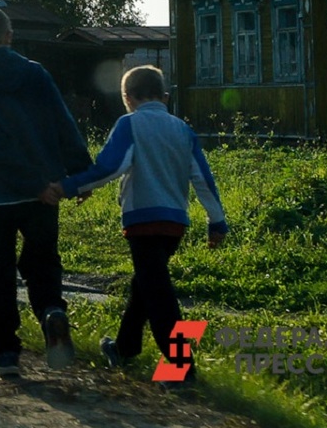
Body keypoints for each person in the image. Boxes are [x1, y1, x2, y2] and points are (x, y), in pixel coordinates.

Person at [41, 65, 228, 381]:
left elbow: (111, 167)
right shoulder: (183, 130)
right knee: (145, 285)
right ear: (165, 97)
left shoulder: (129, 124)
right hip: (174, 224)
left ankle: (181, 369)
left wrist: (70, 186)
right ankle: (124, 348)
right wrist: (217, 222)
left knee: (159, 294)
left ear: (127, 98)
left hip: (142, 221)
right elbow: (203, 179)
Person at [0, 4, 92, 376]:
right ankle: (52, 312)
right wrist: (79, 173)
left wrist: (29, 183)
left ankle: (4, 352)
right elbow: (62, 121)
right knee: (43, 263)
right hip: (45, 193)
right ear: (9, 37)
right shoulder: (35, 74)